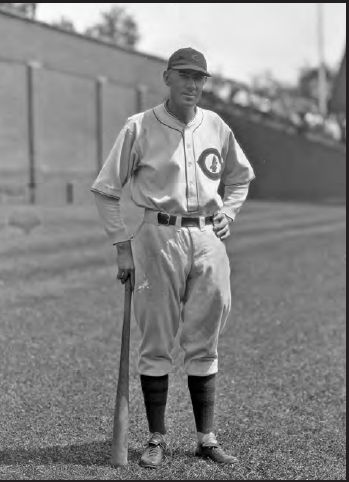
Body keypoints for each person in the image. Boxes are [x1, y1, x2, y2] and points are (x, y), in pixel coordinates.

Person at [91, 47, 255, 469]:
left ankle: (206, 437)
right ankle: (156, 438)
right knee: (157, 341)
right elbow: (106, 190)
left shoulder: (216, 125)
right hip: (156, 236)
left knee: (205, 339)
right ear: (167, 77)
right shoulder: (139, 126)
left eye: (200, 77)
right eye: (184, 75)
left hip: (207, 239)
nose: (193, 84)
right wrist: (122, 246)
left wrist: (229, 213)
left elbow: (240, 178)